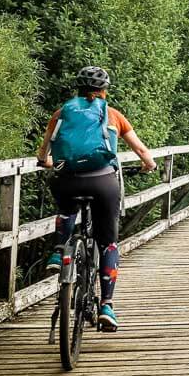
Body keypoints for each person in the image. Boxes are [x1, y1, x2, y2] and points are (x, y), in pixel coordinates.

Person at [35, 66, 156, 332]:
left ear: (77, 89)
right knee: (109, 243)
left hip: (66, 179)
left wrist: (48, 162)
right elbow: (141, 149)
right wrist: (149, 165)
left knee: (67, 209)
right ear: (104, 90)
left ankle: (58, 253)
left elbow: (44, 155)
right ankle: (107, 305)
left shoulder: (61, 114)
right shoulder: (112, 115)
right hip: (103, 182)